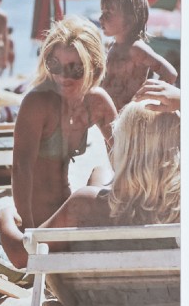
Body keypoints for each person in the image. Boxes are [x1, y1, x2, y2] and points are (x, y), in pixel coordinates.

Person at [0, 95, 180, 266]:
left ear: (126, 145)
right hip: (168, 296)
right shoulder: (187, 206)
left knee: (99, 182)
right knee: (101, 173)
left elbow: (22, 256)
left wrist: (4, 219)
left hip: (96, 299)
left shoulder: (83, 204)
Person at [8, 16, 117, 237]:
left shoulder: (96, 102)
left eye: (75, 68)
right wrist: (29, 231)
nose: (63, 76)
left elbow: (125, 156)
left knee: (103, 172)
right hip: (38, 217)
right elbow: (21, 169)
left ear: (93, 67)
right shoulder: (38, 103)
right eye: (54, 65)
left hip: (67, 207)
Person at [98, 0, 177, 111]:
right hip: (111, 114)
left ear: (130, 20)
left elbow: (170, 74)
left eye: (108, 13)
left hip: (130, 116)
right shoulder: (113, 46)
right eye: (102, 12)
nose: (101, 18)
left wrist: (149, 99)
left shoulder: (136, 49)